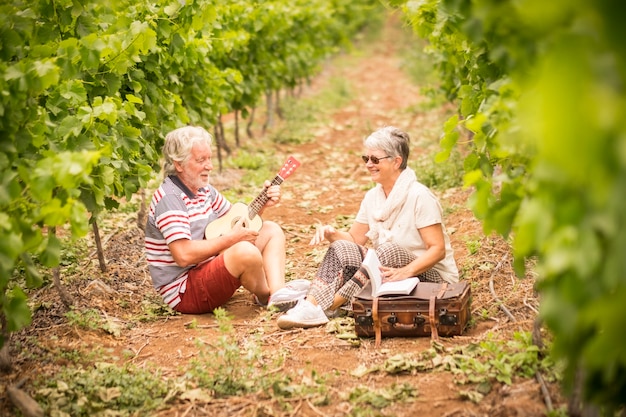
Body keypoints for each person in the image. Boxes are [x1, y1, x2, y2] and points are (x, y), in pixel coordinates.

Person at [277, 126, 459, 329]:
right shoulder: (373, 197)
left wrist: (406, 271)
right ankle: (311, 304)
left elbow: (438, 249)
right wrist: (333, 233)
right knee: (340, 248)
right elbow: (355, 241)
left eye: (375, 160)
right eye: (366, 159)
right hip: (391, 270)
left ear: (396, 161)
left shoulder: (419, 196)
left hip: (432, 277)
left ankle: (328, 307)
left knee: (387, 250)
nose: (368, 165)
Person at [145, 125, 308, 315]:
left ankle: (279, 292)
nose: (210, 166)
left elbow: (235, 222)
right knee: (245, 250)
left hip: (207, 268)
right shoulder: (171, 199)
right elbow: (183, 255)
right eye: (201, 160)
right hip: (186, 292)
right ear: (178, 164)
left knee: (270, 230)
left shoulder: (204, 190)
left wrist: (263, 203)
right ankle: (266, 296)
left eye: (209, 158)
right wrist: (232, 239)